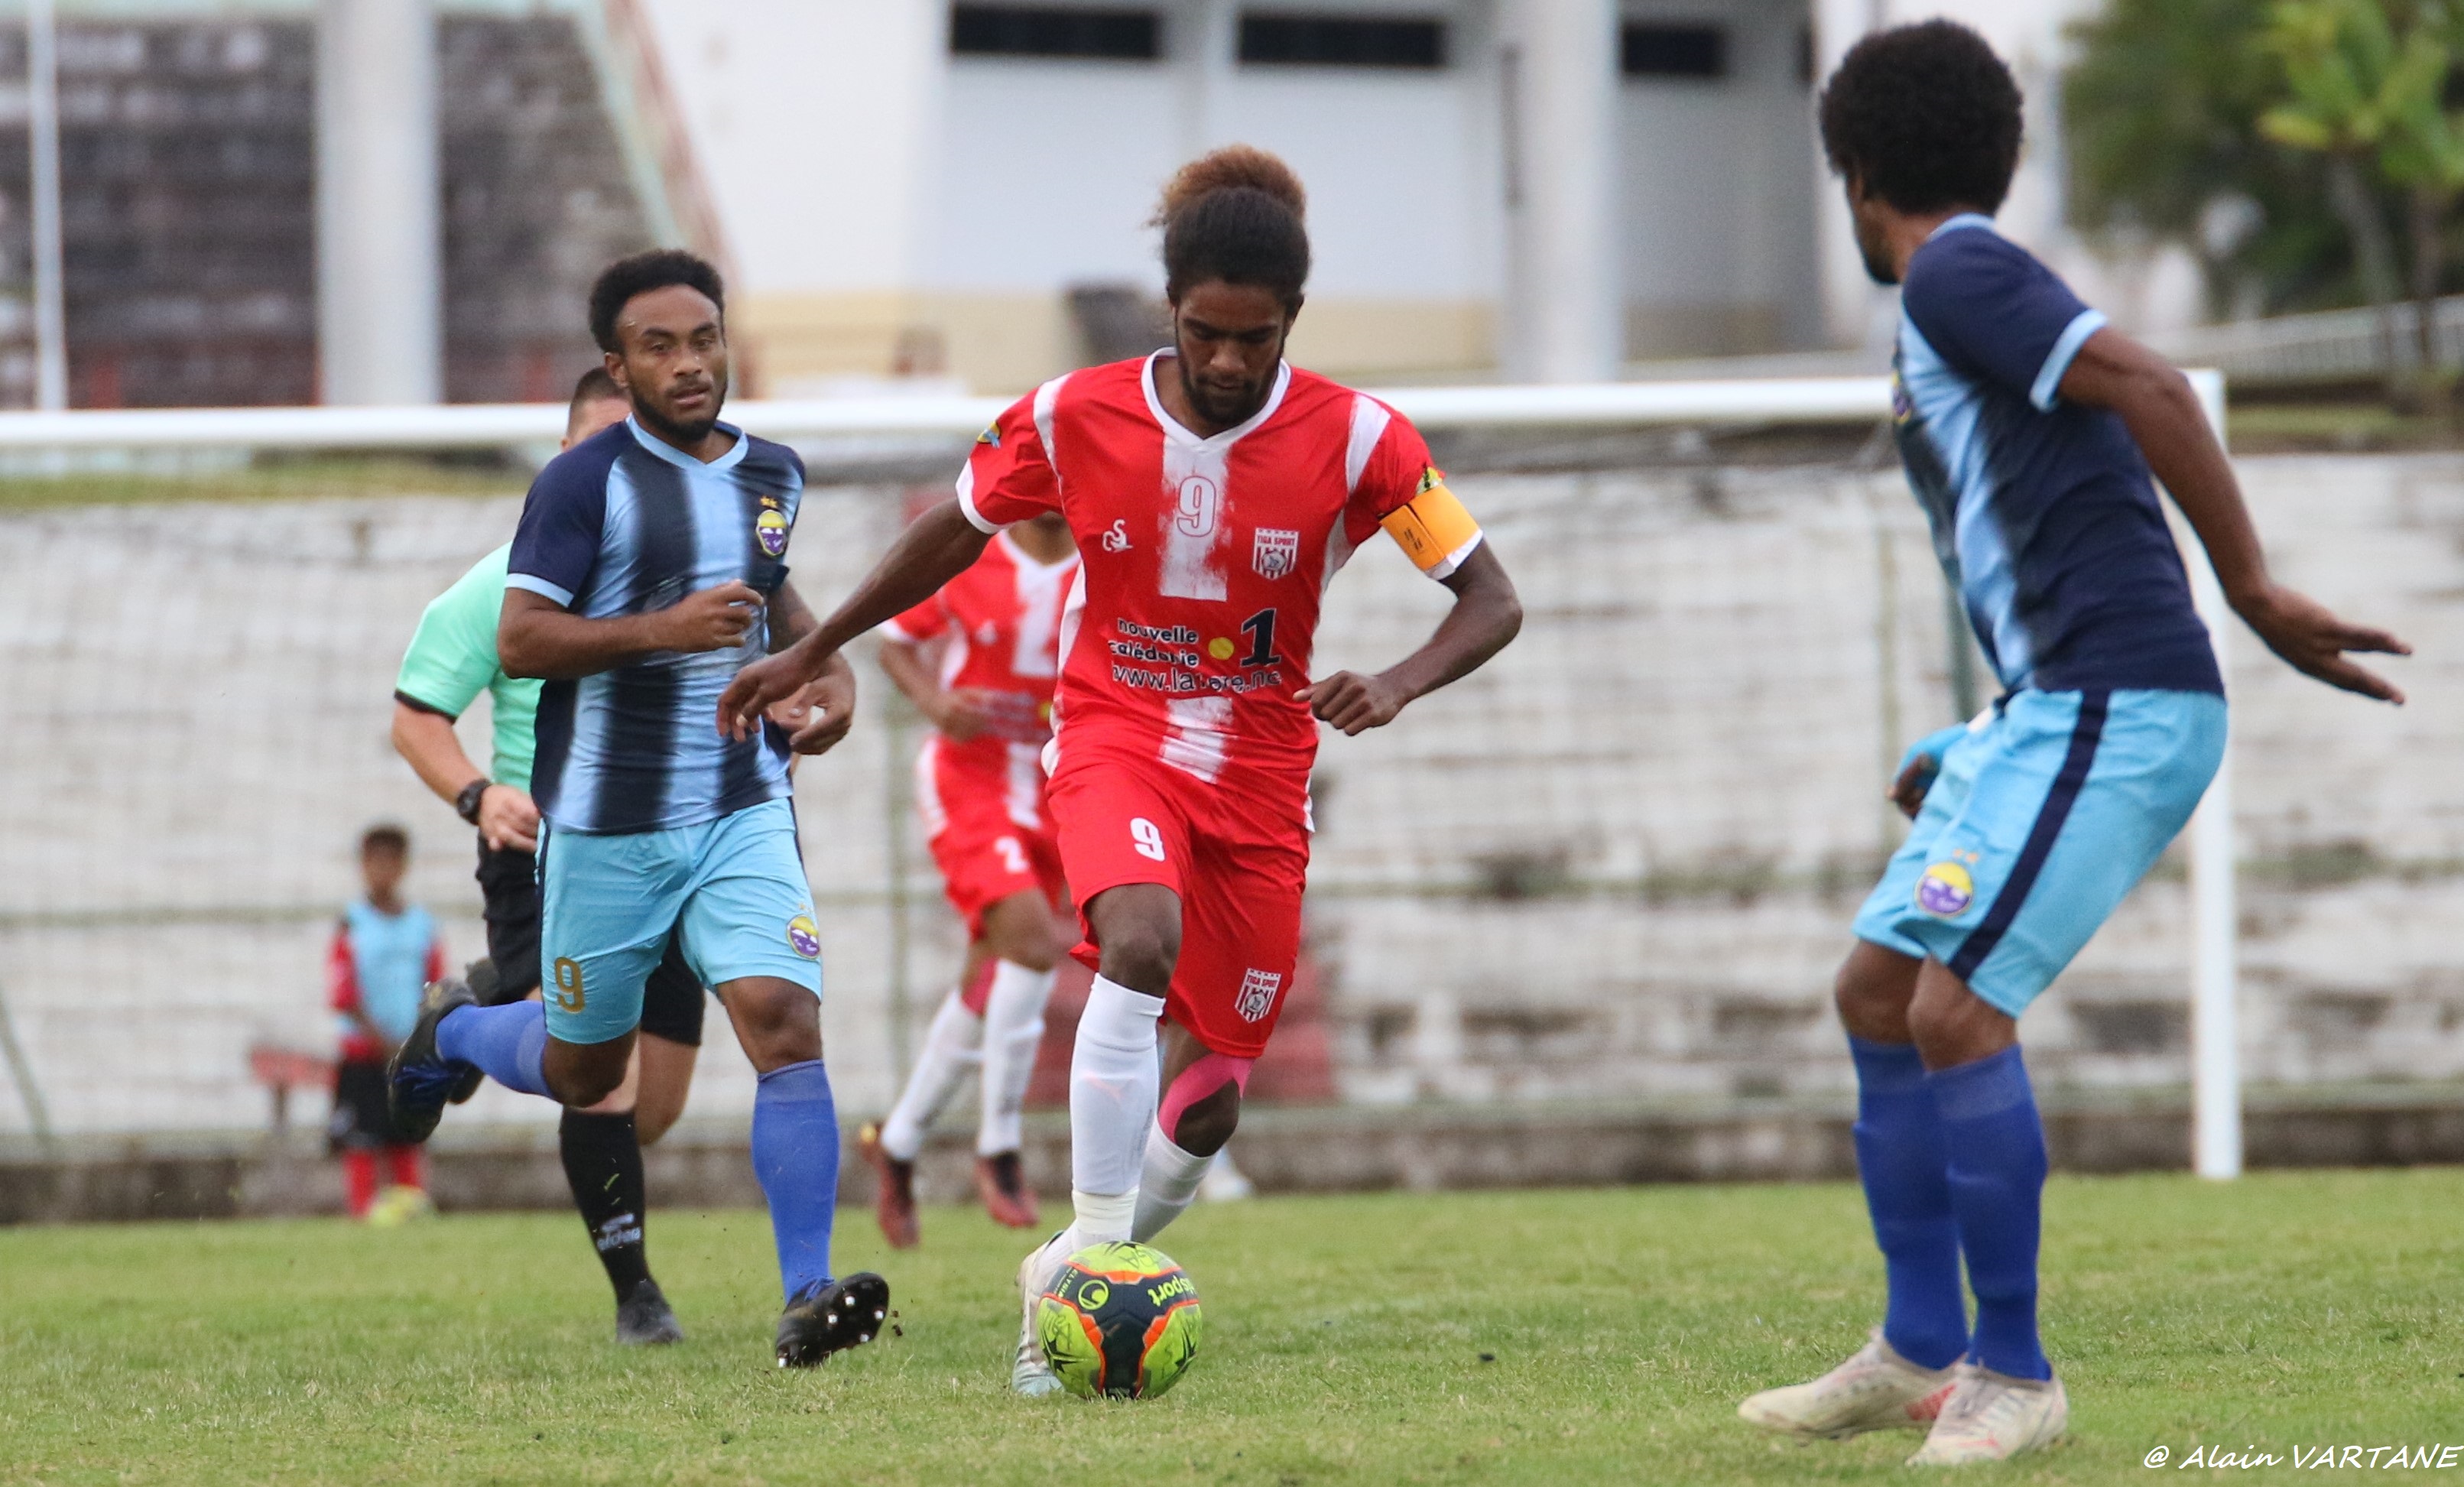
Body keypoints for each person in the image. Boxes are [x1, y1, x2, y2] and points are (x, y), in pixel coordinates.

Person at [718, 147, 1523, 1396]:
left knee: (1206, 1105)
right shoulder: (1072, 414)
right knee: (1134, 943)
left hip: (1260, 778)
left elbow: (1488, 596)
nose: (1224, 363)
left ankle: (1065, 1270)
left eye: (1252, 340)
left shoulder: (1363, 442)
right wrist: (814, 643)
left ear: (1289, 325)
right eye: (1203, 333)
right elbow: (949, 532)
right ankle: (1087, 1278)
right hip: (1113, 736)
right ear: (1171, 311)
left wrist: (1399, 680)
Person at [1736, 22, 2410, 1465]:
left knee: (1953, 1012)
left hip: (2119, 702)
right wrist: (1976, 747)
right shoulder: (1951, 291)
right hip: (2045, 706)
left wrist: (2252, 595)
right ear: (2002, 150)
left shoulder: (1959, 269)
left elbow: (2155, 389)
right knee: (1874, 991)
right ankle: (1916, 1344)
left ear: (1853, 174)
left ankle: (2015, 1375)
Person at [387, 248, 885, 1368]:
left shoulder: (774, 474)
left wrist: (827, 671)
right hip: (604, 829)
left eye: (703, 338)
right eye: (658, 346)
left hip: (740, 802)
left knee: (783, 1019)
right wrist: (662, 628)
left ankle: (808, 1294)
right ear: (619, 363)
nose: (689, 362)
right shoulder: (579, 484)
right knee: (584, 1071)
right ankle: (457, 1027)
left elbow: (773, 595)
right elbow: (522, 639)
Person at [857, 510, 1078, 1245]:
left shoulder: (1106, 562)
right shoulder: (970, 556)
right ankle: (1000, 1145)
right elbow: (895, 644)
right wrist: (936, 703)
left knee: (989, 974)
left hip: (1053, 789)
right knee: (1033, 943)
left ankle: (898, 1143)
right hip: (968, 781)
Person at [325, 823, 443, 1223]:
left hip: (408, 1050)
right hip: (363, 1051)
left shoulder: (422, 926)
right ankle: (362, 1212)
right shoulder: (351, 924)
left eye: (391, 862)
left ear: (404, 867)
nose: (383, 871)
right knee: (361, 1136)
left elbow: (435, 985)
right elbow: (343, 992)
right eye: (374, 862)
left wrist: (419, 1038)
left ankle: (412, 1207)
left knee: (406, 1132)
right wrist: (379, 1039)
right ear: (362, 866)